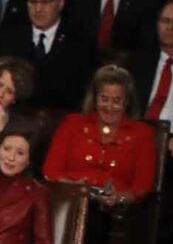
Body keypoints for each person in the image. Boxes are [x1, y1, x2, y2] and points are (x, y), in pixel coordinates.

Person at [44, 65, 158, 229]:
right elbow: (51, 170)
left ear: (126, 102)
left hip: (112, 214)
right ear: (95, 98)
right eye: (104, 99)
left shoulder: (142, 134)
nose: (109, 107)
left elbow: (142, 186)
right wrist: (74, 188)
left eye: (117, 101)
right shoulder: (72, 123)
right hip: (69, 203)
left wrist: (118, 198)